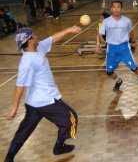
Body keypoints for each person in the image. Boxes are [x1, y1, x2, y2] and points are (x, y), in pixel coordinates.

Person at [4, 26, 81, 162]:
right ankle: (59, 147)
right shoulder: (27, 62)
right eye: (33, 34)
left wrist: (68, 30)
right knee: (71, 118)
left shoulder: (38, 48)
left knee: (24, 130)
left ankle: (9, 158)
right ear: (30, 40)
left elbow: (53, 39)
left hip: (33, 103)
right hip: (47, 101)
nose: (36, 35)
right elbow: (19, 87)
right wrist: (14, 108)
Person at [95, 1, 138, 91]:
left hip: (124, 48)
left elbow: (131, 32)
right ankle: (118, 81)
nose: (116, 9)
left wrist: (133, 41)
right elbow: (99, 33)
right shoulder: (106, 22)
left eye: (118, 7)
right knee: (109, 72)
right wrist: (98, 44)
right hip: (111, 49)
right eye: (114, 7)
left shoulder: (127, 21)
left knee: (134, 68)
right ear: (111, 9)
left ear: (122, 9)